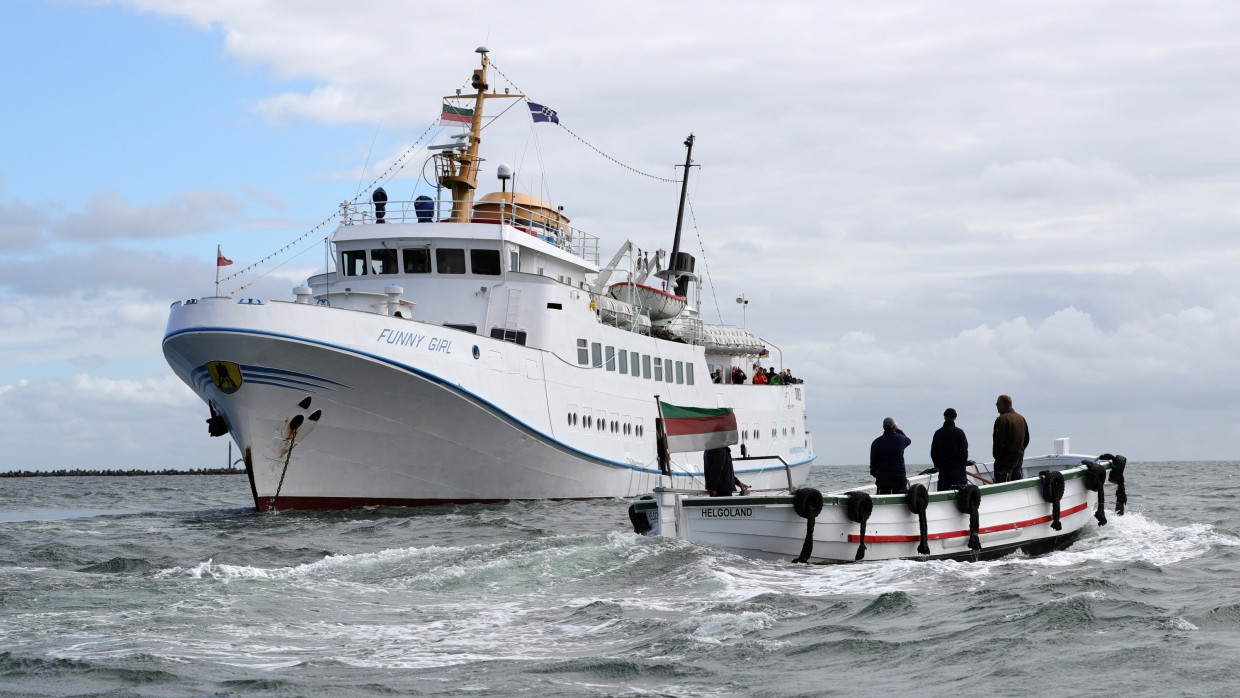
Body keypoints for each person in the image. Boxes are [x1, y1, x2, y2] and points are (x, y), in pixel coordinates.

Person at [992, 394, 1029, 482]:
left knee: (1001, 486)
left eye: (997, 404)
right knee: (1015, 485)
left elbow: (999, 442)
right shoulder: (1021, 418)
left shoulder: (1002, 419)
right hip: (1018, 458)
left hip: (1005, 460)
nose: (996, 406)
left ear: (1002, 404)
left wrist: (997, 457)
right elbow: (1026, 439)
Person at [930, 408, 969, 491]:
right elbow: (964, 451)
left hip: (943, 469)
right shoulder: (959, 432)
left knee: (943, 492)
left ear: (945, 417)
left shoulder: (938, 433)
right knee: (962, 493)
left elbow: (933, 452)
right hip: (957, 468)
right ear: (955, 418)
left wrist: (937, 465)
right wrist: (963, 464)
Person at [870, 417, 912, 494]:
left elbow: (873, 463)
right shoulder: (901, 439)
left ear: (883, 427)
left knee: (883, 496)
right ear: (894, 427)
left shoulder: (876, 442)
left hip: (883, 478)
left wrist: (876, 475)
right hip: (899, 478)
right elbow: (908, 440)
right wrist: (898, 430)